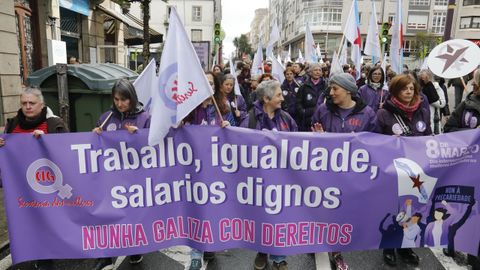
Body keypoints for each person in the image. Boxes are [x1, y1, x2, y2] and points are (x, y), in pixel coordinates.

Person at [311, 73, 377, 270]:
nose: (331, 93)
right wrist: (318, 138)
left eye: (335, 89)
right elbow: (308, 138)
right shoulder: (323, 110)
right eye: (330, 89)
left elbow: (376, 143)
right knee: (323, 212)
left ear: (348, 90)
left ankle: (336, 251)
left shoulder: (367, 114)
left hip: (351, 176)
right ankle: (316, 242)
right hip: (325, 173)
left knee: (341, 215)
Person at [0, 87, 68, 270]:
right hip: (20, 185)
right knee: (26, 223)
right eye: (24, 103)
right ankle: (32, 253)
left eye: (32, 103)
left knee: (46, 222)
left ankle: (46, 259)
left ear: (42, 104)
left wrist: (47, 141)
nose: (28, 106)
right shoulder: (13, 125)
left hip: (47, 186)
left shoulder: (55, 124)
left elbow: (67, 152)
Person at [92, 78, 150, 269]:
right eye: (116, 99)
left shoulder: (144, 118)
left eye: (124, 99)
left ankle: (135, 248)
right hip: (112, 178)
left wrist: (140, 137)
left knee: (133, 215)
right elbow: (94, 148)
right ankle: (107, 254)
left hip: (136, 178)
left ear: (132, 98)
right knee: (110, 214)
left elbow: (155, 146)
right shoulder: (106, 117)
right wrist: (95, 135)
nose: (119, 103)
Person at [241, 80, 297, 270]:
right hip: (258, 179)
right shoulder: (250, 119)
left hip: (282, 179)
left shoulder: (287, 118)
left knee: (279, 217)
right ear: (266, 98)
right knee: (261, 218)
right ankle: (262, 251)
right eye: (279, 95)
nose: (283, 98)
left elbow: (297, 143)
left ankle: (279, 257)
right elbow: (238, 145)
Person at [376, 74, 431, 266]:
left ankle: (406, 247)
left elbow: (429, 137)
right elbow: (375, 143)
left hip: (417, 170)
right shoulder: (384, 113)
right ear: (395, 91)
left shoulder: (423, 111)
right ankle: (389, 247)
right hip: (394, 170)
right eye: (404, 88)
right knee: (393, 209)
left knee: (412, 209)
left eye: (411, 88)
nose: (409, 92)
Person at [186, 72, 230, 270]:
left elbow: (236, 135)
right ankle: (196, 252)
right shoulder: (187, 110)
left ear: (215, 86)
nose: (207, 86)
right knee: (196, 208)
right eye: (203, 82)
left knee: (212, 208)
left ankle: (209, 243)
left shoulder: (222, 108)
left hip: (214, 170)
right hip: (192, 170)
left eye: (210, 83)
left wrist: (229, 128)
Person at [295, 63, 327, 131]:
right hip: (307, 121)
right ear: (310, 72)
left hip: (322, 119)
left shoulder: (326, 86)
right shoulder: (303, 87)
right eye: (315, 70)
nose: (318, 72)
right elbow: (298, 102)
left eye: (319, 70)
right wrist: (303, 112)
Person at [418, 69, 445, 134]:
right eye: (421, 78)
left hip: (434, 117)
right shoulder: (420, 88)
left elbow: (442, 103)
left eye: (424, 77)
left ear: (429, 77)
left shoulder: (436, 87)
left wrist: (430, 100)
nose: (422, 80)